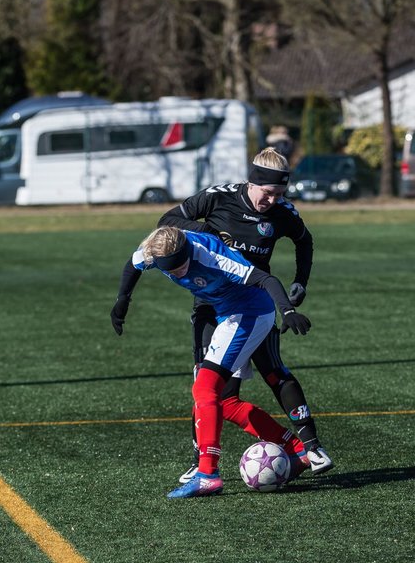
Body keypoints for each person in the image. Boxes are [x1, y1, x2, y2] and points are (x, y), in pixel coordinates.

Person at [157, 147, 333, 481]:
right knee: (210, 389)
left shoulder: (283, 212)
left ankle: (311, 446)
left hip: (255, 302)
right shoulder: (217, 198)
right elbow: (166, 221)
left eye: (280, 194)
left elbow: (305, 242)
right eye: (268, 193)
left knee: (273, 370)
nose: (273, 200)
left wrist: (301, 283)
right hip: (210, 304)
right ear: (252, 181)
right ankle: (202, 462)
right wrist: (206, 233)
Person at [110, 225, 312, 498]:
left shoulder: (210, 256)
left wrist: (287, 310)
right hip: (226, 315)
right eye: (171, 270)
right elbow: (132, 266)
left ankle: (207, 474)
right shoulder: (152, 251)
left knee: (204, 389)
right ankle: (296, 450)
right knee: (226, 403)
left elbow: (266, 279)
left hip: (250, 313)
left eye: (182, 266)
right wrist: (122, 301)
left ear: (187, 252)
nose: (179, 272)